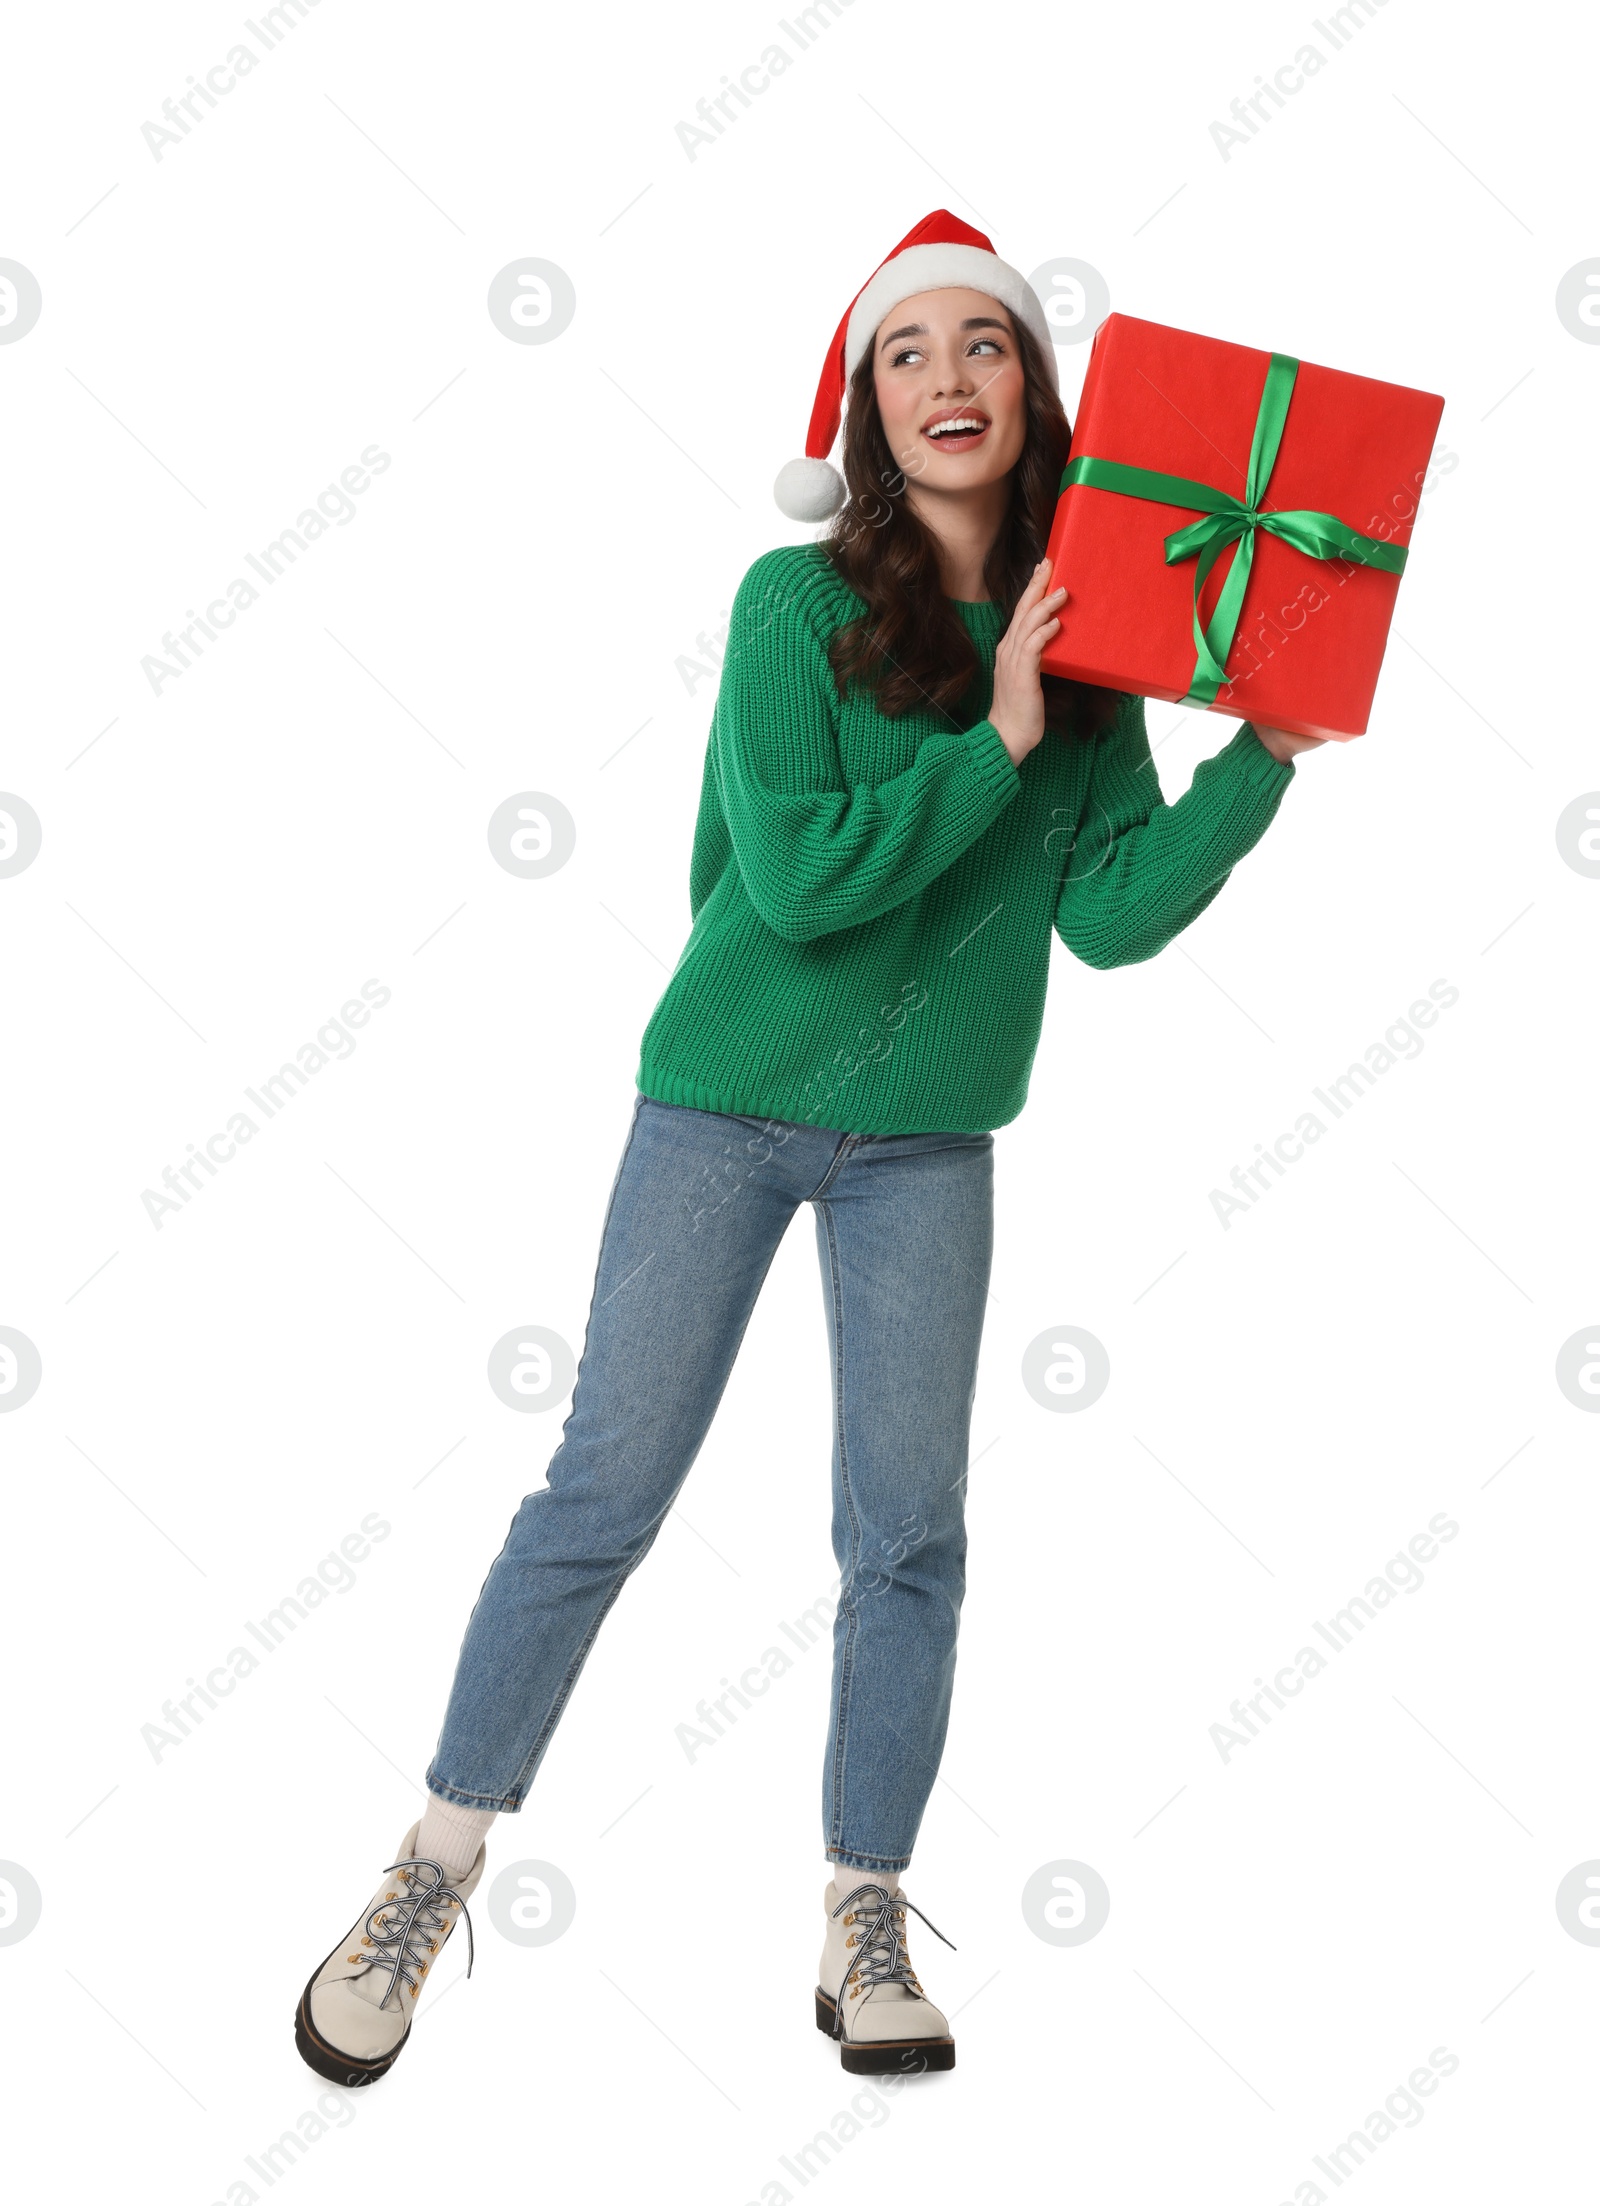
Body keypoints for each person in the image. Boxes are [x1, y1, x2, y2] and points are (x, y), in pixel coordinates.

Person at [295, 209, 1320, 2088]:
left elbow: (1106, 919)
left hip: (930, 1143)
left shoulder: (1094, 650)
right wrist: (994, 737)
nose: (949, 378)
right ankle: (434, 1862)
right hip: (721, 1107)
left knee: (908, 1533)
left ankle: (862, 1913)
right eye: (909, 351)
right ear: (868, 401)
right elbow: (799, 880)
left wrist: (1258, 756)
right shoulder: (795, 607)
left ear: (1035, 389)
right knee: (604, 1489)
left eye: (984, 346)